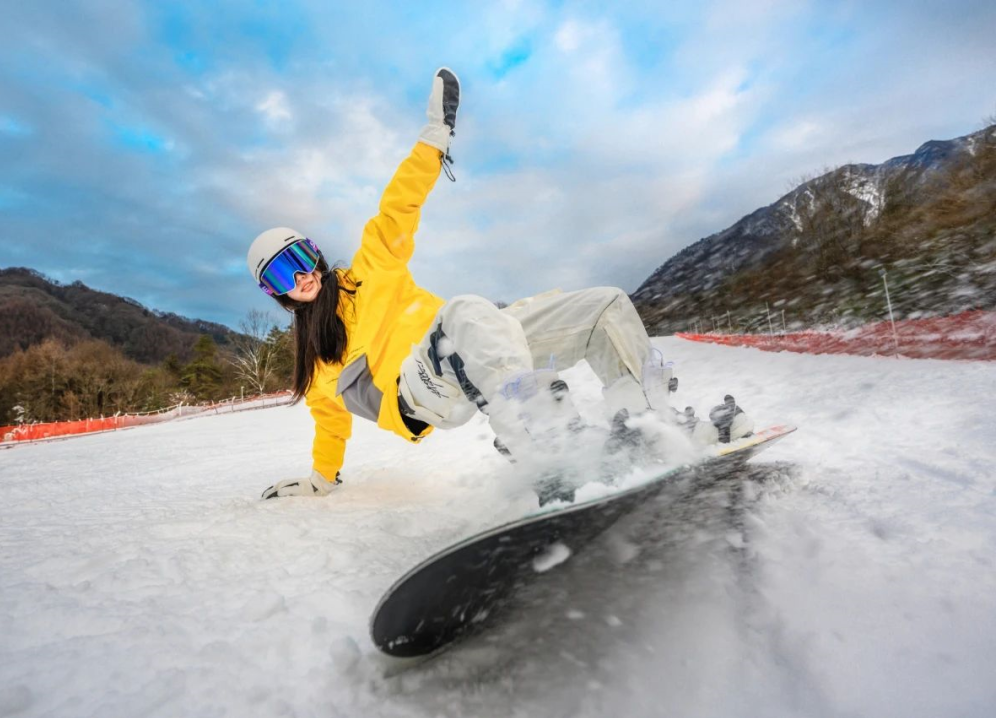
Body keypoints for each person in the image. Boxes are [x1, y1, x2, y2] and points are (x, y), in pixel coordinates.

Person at [248, 68, 752, 503]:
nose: (301, 276)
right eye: (281, 274)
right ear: (277, 294)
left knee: (606, 306)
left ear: (314, 252)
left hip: (477, 346)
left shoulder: (371, 266)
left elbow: (398, 203)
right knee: (465, 314)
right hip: (420, 391)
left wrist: (434, 137)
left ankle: (651, 428)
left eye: (299, 257)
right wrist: (320, 480)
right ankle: (550, 453)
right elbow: (331, 427)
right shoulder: (317, 363)